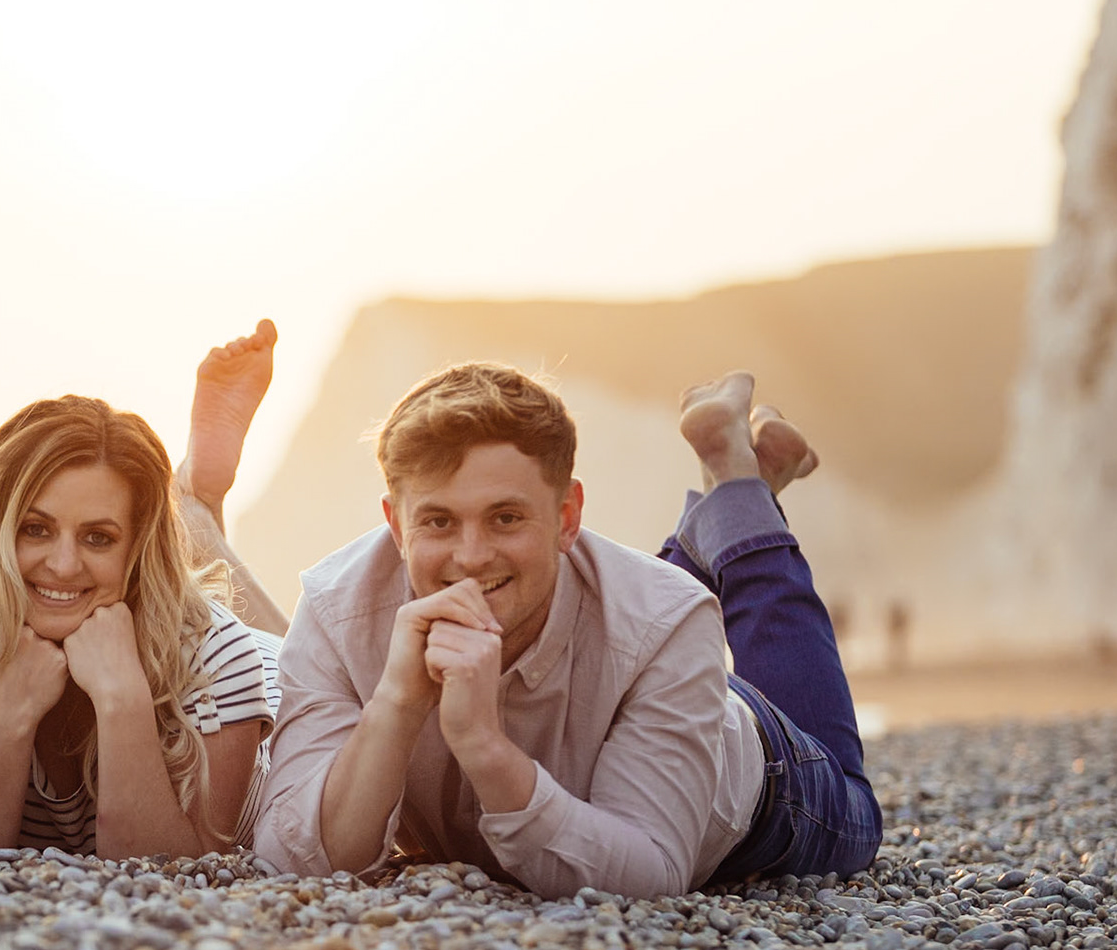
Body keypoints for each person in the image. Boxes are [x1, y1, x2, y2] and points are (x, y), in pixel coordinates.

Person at [251, 363, 882, 899]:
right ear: (395, 523)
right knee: (623, 615)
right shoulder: (339, 610)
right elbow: (294, 856)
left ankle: (740, 487)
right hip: (633, 651)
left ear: (568, 515)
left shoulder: (666, 625)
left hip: (751, 768)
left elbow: (653, 872)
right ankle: (723, 495)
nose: (469, 557)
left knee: (858, 818)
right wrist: (396, 701)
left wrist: (483, 746)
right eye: (438, 522)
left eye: (505, 517)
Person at [0, 322, 287, 858]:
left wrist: (122, 695)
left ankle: (195, 510)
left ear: (134, 552)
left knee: (309, 660)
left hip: (270, 676)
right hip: (163, 612)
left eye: (99, 538)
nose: (61, 563)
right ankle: (192, 510)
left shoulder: (217, 656)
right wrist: (10, 710)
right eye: (36, 528)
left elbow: (171, 868)